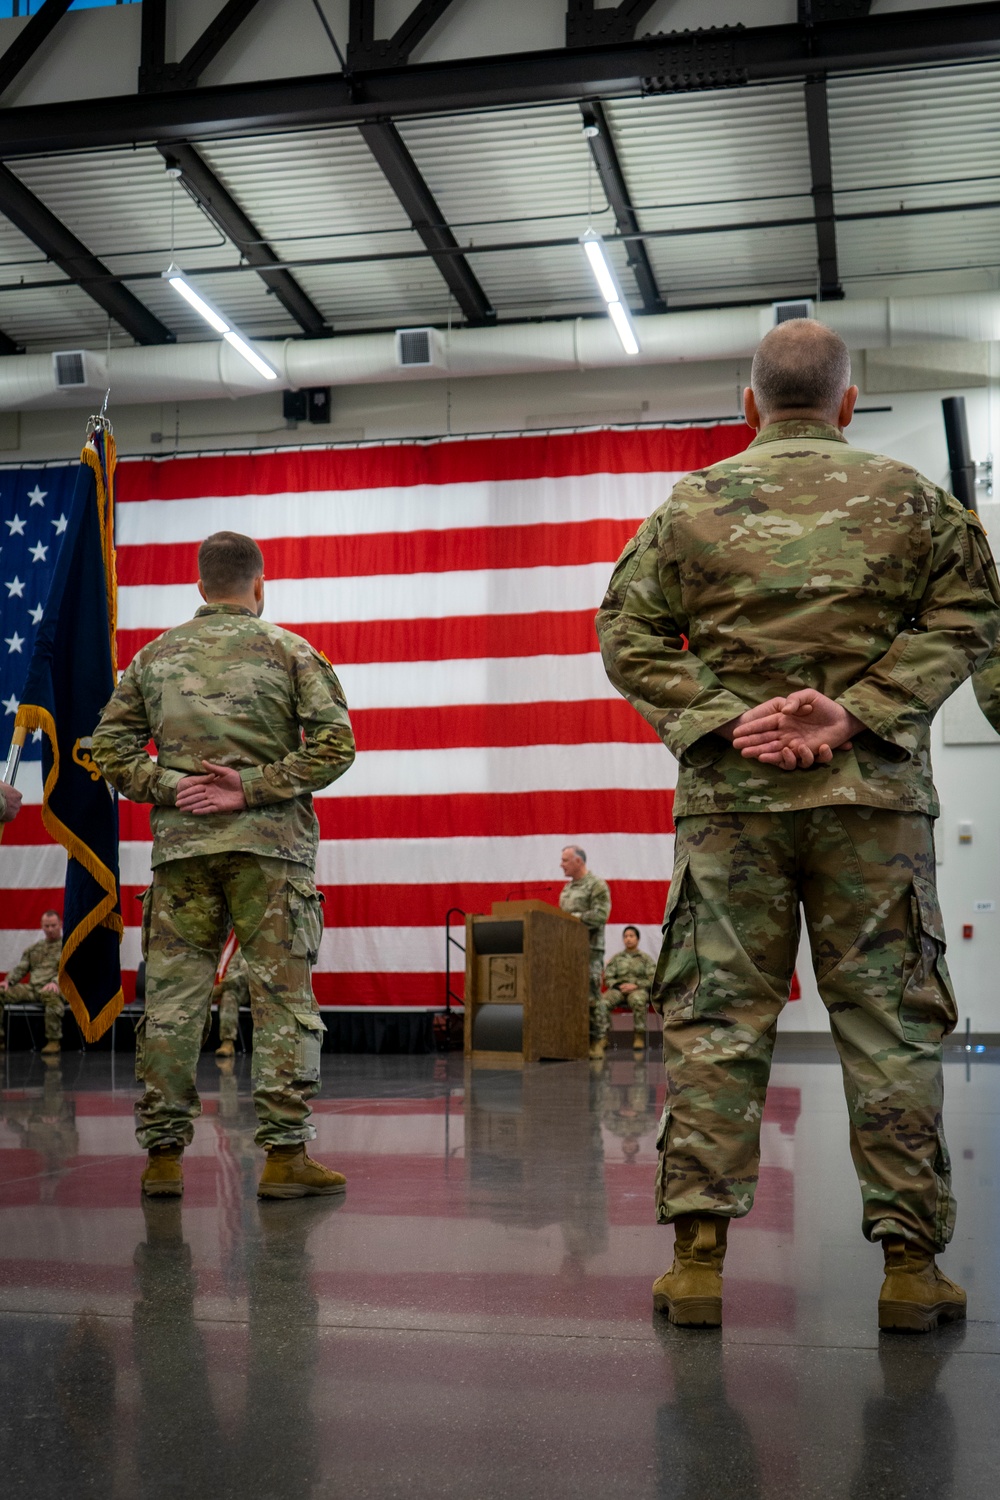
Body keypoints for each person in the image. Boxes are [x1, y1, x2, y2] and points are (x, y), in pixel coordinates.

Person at [596, 318, 1000, 1332]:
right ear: (847, 404)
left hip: (734, 804)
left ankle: (696, 1262)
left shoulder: (689, 504)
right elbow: (971, 619)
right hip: (874, 806)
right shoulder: (918, 501)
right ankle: (909, 1270)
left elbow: (625, 629)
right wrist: (857, 710)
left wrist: (727, 717)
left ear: (749, 406)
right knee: (889, 1025)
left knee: (714, 1022)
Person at [91, 530, 356, 1200]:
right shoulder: (289, 650)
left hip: (184, 853)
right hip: (270, 856)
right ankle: (284, 1157)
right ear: (258, 585)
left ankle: (162, 1158)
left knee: (175, 1001)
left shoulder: (154, 657)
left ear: (201, 585)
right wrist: (255, 785)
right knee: (280, 1001)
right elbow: (336, 746)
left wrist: (168, 786)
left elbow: (108, 746)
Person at [558, 844, 612, 1060]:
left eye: (565, 860)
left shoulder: (596, 885)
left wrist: (573, 919)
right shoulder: (567, 889)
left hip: (590, 949)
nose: (561, 864)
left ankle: (598, 1038)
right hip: (568, 949)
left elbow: (600, 916)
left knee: (592, 994)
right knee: (570, 994)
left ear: (578, 861)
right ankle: (576, 1038)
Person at [0, 909, 64, 1054]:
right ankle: (0, 1039)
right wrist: (8, 981)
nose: (50, 929)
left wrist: (55, 982)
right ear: (42, 926)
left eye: (53, 925)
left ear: (60, 924)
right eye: (47, 926)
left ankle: (53, 1041)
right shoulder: (34, 949)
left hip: (59, 988)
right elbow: (21, 968)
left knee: (50, 994)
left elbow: (70, 972)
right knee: (0, 992)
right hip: (34, 988)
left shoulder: (68, 947)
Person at [603, 925, 656, 1050]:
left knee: (638, 1000)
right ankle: (603, 1037)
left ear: (637, 939)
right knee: (603, 1002)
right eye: (626, 936)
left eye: (631, 936)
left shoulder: (645, 958)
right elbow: (608, 977)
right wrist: (618, 985)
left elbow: (653, 978)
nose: (628, 939)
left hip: (637, 990)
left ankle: (639, 1035)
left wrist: (636, 985)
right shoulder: (617, 958)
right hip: (619, 990)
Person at [211, 943, 249, 1060]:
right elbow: (230, 971)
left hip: (266, 992)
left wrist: (222, 986)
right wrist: (227, 985)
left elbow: (249, 974)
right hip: (245, 993)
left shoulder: (266, 948)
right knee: (229, 995)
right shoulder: (241, 951)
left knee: (226, 989)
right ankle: (228, 1042)